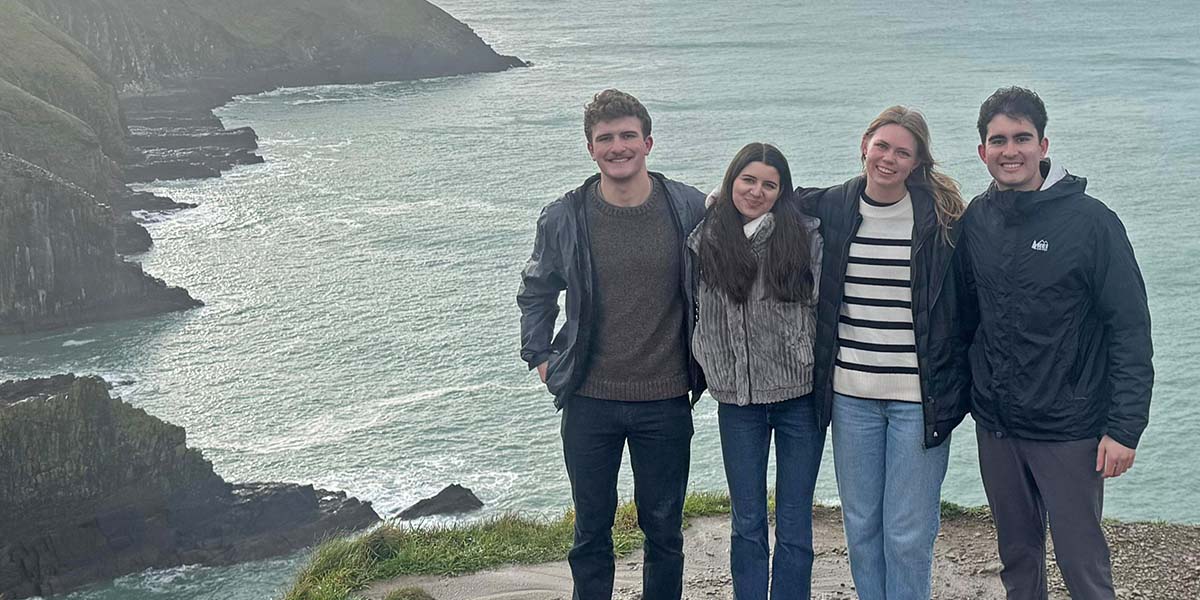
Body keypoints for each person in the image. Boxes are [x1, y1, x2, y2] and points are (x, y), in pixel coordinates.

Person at [962, 86, 1154, 600]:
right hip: (998, 428)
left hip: (1070, 429)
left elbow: (1131, 329)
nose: (1010, 151)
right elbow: (964, 318)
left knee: (1082, 565)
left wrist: (1125, 428)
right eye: (998, 140)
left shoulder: (1093, 223)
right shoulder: (977, 220)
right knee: (1017, 561)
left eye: (1022, 138)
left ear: (1044, 145)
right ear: (982, 151)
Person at [516, 89, 706, 600]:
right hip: (589, 399)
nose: (617, 146)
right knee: (590, 531)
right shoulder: (565, 216)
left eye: (627, 136)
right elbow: (537, 289)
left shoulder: (687, 206)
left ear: (648, 142)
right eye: (606, 138)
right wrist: (540, 357)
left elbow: (748, 231)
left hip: (665, 399)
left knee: (664, 530)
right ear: (590, 148)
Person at [797, 106, 973, 599]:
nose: (889, 159)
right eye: (882, 146)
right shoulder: (834, 205)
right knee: (861, 526)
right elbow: (769, 195)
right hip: (851, 397)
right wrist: (720, 195)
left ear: (917, 163)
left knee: (908, 533)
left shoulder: (943, 221)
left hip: (920, 401)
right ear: (864, 145)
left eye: (902, 152)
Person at [689, 143, 824, 599]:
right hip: (737, 402)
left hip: (798, 398)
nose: (757, 191)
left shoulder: (805, 237)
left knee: (794, 520)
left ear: (782, 190)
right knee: (746, 521)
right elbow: (690, 308)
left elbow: (822, 308)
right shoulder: (705, 238)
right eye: (748, 180)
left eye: (770, 184)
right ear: (731, 181)